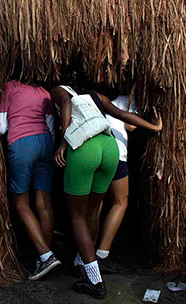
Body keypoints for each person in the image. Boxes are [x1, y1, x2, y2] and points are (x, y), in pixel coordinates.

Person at [51, 85, 162, 299]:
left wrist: (64, 141)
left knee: (77, 215)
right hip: (109, 147)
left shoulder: (59, 90)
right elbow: (124, 115)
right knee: (93, 210)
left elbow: (65, 103)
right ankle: (83, 260)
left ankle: (94, 280)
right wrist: (154, 127)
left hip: (85, 148)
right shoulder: (96, 97)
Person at [0, 79, 61, 280]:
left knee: (21, 203)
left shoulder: (10, 87)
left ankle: (46, 256)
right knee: (44, 203)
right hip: (45, 143)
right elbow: (51, 127)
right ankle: (43, 258)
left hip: (22, 142)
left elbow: (1, 126)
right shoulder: (45, 92)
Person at [95, 93, 138, 273]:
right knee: (120, 201)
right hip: (116, 153)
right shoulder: (127, 101)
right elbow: (132, 125)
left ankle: (84, 254)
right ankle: (101, 255)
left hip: (95, 151)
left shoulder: (97, 104)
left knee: (95, 201)